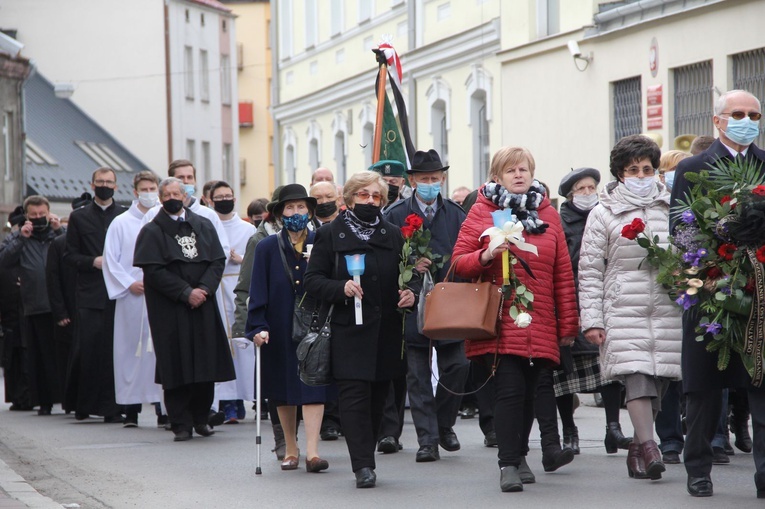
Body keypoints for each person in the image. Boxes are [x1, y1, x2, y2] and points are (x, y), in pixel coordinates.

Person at [452, 146, 578, 492]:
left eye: (524, 169)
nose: (519, 175)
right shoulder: (482, 211)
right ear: (497, 177)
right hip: (499, 318)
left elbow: (562, 274)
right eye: (511, 171)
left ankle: (520, 455)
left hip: (539, 320)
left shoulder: (547, 213)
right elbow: (458, 262)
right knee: (509, 390)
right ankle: (508, 463)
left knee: (528, 392)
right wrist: (486, 254)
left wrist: (567, 325)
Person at [670, 89, 765, 498]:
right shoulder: (694, 166)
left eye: (754, 114)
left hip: (760, 293)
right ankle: (698, 469)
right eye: (738, 113)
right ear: (718, 121)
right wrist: (707, 270)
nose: (747, 120)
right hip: (711, 287)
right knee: (705, 388)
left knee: (761, 385)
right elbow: (682, 228)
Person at [579, 134, 682, 481]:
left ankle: (637, 448)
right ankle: (651, 447)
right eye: (633, 170)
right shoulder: (603, 212)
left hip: (668, 307)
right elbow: (591, 269)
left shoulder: (673, 206)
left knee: (660, 381)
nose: (641, 176)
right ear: (620, 174)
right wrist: (592, 319)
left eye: (647, 169)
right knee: (638, 378)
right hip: (622, 308)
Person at [304, 171, 415, 488]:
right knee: (354, 399)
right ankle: (363, 466)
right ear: (349, 199)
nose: (370, 201)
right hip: (348, 332)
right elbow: (313, 281)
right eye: (363, 195)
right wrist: (342, 288)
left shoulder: (393, 234)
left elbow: (408, 276)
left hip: (387, 332)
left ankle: (367, 455)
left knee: (379, 399)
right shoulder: (330, 234)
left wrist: (411, 293)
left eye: (376, 196)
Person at [133, 177, 235, 442]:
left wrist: (203, 289)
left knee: (205, 361)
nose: (172, 198)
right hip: (171, 308)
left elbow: (217, 260)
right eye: (166, 194)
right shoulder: (152, 231)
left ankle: (201, 417)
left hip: (203, 303)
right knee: (176, 363)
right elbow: (153, 270)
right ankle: (180, 422)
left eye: (176, 193)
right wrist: (185, 292)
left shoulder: (203, 224)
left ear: (186, 195)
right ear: (160, 197)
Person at [385, 149, 470, 463]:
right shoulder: (394, 215)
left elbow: (468, 253)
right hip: (410, 302)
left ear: (443, 179)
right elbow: (384, 258)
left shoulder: (457, 213)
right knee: (417, 374)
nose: (431, 184)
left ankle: (444, 424)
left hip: (450, 301)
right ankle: (428, 441)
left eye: (435, 179)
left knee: (458, 365)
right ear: (412, 180)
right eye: (424, 179)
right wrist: (406, 270)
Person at [246, 184, 332, 473]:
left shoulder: (322, 241)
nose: (296, 213)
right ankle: (291, 449)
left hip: (316, 325)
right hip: (278, 323)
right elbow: (256, 290)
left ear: (309, 210)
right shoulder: (266, 247)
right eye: (290, 207)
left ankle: (313, 452)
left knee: (313, 385)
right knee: (282, 388)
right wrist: (257, 325)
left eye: (301, 207)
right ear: (280, 213)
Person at [555, 167, 633, 456]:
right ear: (570, 195)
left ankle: (613, 428)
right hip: (572, 302)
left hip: (605, 301)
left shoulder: (607, 216)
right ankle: (569, 432)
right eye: (581, 189)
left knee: (607, 369)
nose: (588, 194)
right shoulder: (561, 223)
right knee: (565, 373)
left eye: (591, 188)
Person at [65, 167, 127, 422]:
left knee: (114, 352)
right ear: (92, 185)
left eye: (109, 181)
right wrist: (93, 261)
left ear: (116, 185)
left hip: (119, 294)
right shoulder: (79, 218)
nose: (104, 185)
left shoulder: (123, 216)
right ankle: (83, 403)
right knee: (88, 349)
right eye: (100, 181)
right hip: (90, 293)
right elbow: (69, 256)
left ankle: (112, 407)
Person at [102, 171, 163, 427]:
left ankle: (164, 407)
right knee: (130, 351)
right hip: (132, 297)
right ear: (135, 192)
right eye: (144, 189)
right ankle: (130, 408)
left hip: (159, 295)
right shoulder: (121, 222)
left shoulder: (163, 220)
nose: (149, 193)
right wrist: (129, 283)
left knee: (160, 352)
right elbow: (110, 259)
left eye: (153, 188)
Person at [232, 187, 287, 457]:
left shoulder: (309, 235)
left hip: (300, 317)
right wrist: (246, 326)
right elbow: (246, 286)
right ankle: (282, 437)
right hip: (272, 318)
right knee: (277, 381)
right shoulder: (259, 239)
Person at [0, 195, 64, 415]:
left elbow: (72, 253)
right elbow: (4, 262)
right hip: (33, 305)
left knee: (61, 354)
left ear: (49, 212)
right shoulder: (18, 237)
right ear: (26, 216)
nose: (38, 219)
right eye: (34, 215)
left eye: (42, 215)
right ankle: (43, 401)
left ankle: (66, 399)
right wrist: (21, 238)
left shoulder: (58, 234)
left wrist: (58, 230)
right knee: (38, 358)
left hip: (60, 305)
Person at [209, 181, 256, 424]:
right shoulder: (207, 224)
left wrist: (240, 259)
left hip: (239, 289)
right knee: (222, 347)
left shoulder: (247, 230)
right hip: (216, 289)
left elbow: (254, 259)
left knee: (241, 347)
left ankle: (242, 399)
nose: (224, 199)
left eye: (228, 195)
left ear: (235, 199)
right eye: (219, 196)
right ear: (210, 200)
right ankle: (226, 403)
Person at [47, 193, 91, 411]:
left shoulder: (97, 243)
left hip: (90, 306)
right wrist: (60, 312)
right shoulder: (59, 243)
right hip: (69, 309)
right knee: (68, 358)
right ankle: (71, 401)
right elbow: (53, 280)